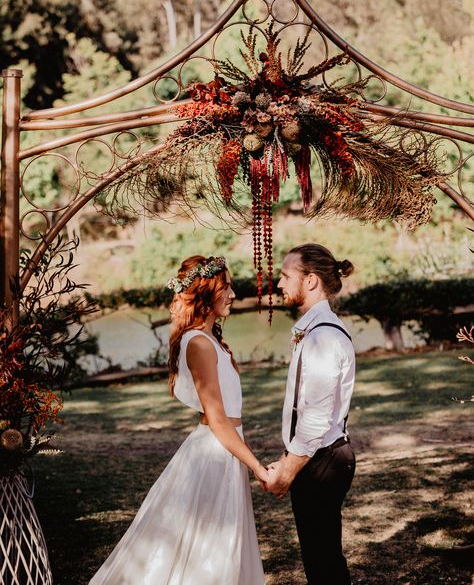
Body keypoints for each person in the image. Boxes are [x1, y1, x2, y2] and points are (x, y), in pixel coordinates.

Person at [90, 255, 267, 585]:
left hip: (225, 451)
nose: (232, 294)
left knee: (219, 545)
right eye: (226, 287)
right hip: (216, 452)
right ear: (205, 292)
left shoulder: (208, 339)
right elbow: (217, 418)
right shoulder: (199, 343)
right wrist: (257, 467)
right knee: (209, 548)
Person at [265, 243, 356, 585]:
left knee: (324, 562)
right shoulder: (315, 330)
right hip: (316, 454)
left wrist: (287, 471)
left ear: (312, 281)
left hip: (324, 459)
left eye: (287, 276)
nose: (279, 284)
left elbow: (317, 417)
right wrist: (288, 456)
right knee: (320, 557)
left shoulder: (324, 338)